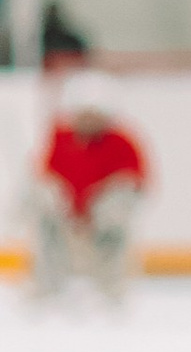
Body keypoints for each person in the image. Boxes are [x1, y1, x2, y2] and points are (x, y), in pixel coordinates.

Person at [27, 92, 150, 303]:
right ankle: (46, 289)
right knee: (41, 203)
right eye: (83, 115)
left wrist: (100, 210)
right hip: (66, 214)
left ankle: (112, 290)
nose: (88, 121)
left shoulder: (122, 142)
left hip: (104, 217)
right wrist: (64, 208)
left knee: (115, 215)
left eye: (94, 115)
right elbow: (47, 176)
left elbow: (135, 184)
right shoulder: (60, 137)